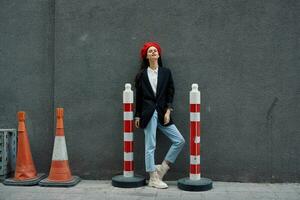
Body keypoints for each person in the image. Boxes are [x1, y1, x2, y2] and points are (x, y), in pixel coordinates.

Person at [134, 42, 185, 189]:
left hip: (163, 113)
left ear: (159, 54)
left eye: (155, 50)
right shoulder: (142, 75)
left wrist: (168, 110)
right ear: (146, 56)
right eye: (150, 51)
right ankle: (153, 177)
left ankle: (162, 168)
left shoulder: (166, 72)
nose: (153, 52)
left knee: (179, 140)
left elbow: (170, 92)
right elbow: (139, 97)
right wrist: (137, 115)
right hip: (148, 113)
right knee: (150, 145)